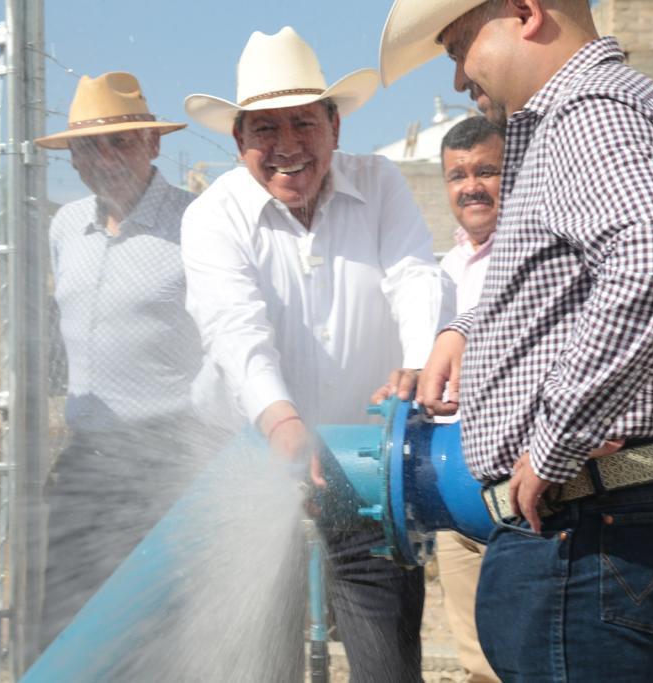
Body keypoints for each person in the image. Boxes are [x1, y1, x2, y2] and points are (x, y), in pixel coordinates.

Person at [379, 1, 653, 681]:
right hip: (615, 517)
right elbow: (570, 282)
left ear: (524, 12)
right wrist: (468, 329)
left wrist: (553, 441)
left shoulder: (587, 112)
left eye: (458, 46)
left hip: (588, 521)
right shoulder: (608, 109)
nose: (457, 78)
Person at [181, 27, 455, 682]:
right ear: (237, 140)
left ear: (334, 125)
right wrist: (282, 425)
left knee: (387, 668)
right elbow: (234, 328)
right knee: (257, 665)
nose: (286, 147)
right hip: (251, 463)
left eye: (304, 122)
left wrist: (421, 361)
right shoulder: (212, 216)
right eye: (264, 129)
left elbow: (416, 274)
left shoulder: (379, 181)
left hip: (365, 473)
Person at [32, 72, 207, 654]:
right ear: (73, 160)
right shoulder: (65, 227)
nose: (103, 157)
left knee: (157, 627)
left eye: (120, 141)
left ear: (153, 144)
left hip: (167, 455)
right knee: (66, 620)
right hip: (87, 454)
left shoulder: (196, 224)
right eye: (88, 146)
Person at [436, 115, 503, 683]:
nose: (471, 186)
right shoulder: (445, 268)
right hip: (450, 481)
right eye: (457, 175)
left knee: (530, 649)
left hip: (522, 480)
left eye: (486, 170)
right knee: (476, 659)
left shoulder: (531, 255)